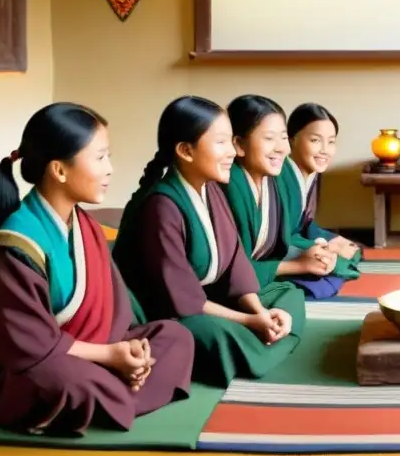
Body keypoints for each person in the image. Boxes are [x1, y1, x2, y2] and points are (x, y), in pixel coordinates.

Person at [0, 103, 193, 435]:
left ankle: (108, 397)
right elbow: (31, 347)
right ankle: (112, 393)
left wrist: (129, 350)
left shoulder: (85, 226)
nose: (110, 168)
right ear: (59, 170)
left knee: (176, 338)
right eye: (100, 157)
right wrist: (111, 356)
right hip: (29, 363)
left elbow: (114, 312)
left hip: (88, 348)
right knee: (63, 383)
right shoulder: (16, 245)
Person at [112, 96, 305, 388]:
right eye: (221, 143)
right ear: (186, 150)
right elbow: (181, 298)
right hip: (169, 311)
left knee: (290, 297)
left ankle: (259, 336)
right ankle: (255, 343)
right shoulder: (161, 206)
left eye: (231, 142)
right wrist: (250, 322)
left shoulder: (211, 188)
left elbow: (236, 263)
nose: (231, 152)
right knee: (217, 336)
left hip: (206, 299)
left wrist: (258, 312)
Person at [222, 95, 345, 299]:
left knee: (327, 269)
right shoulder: (233, 184)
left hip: (261, 266)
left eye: (282, 138)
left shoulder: (268, 177)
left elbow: (290, 231)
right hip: (236, 282)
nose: (282, 148)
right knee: (295, 295)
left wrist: (316, 249)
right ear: (239, 144)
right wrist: (299, 263)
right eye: (270, 138)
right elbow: (232, 267)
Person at [277, 102, 361, 296]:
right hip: (278, 247)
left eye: (331, 142)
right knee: (334, 265)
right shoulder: (280, 176)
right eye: (315, 140)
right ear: (292, 140)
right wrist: (324, 246)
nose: (325, 150)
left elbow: (303, 222)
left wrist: (334, 239)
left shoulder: (312, 173)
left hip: (294, 237)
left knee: (349, 250)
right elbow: (279, 235)